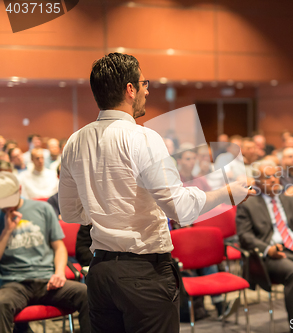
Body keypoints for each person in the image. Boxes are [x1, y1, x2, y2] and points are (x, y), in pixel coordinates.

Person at [58, 53, 254, 333]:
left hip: (100, 273)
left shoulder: (75, 141)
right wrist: (226, 193)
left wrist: (106, 208)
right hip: (143, 273)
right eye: (144, 83)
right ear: (130, 89)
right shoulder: (143, 137)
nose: (147, 90)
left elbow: (69, 212)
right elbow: (180, 209)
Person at [236, 160, 293, 333]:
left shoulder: (290, 200)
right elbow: (245, 237)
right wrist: (268, 249)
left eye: (276, 176)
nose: (274, 180)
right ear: (257, 182)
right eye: (268, 177)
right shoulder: (248, 205)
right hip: (271, 255)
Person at [0, 171, 90, 333]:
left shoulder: (42, 208)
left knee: (86, 294)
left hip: (47, 281)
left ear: (19, 190)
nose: (7, 206)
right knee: (1, 304)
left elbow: (59, 247)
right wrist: (6, 231)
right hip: (14, 283)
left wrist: (59, 272)